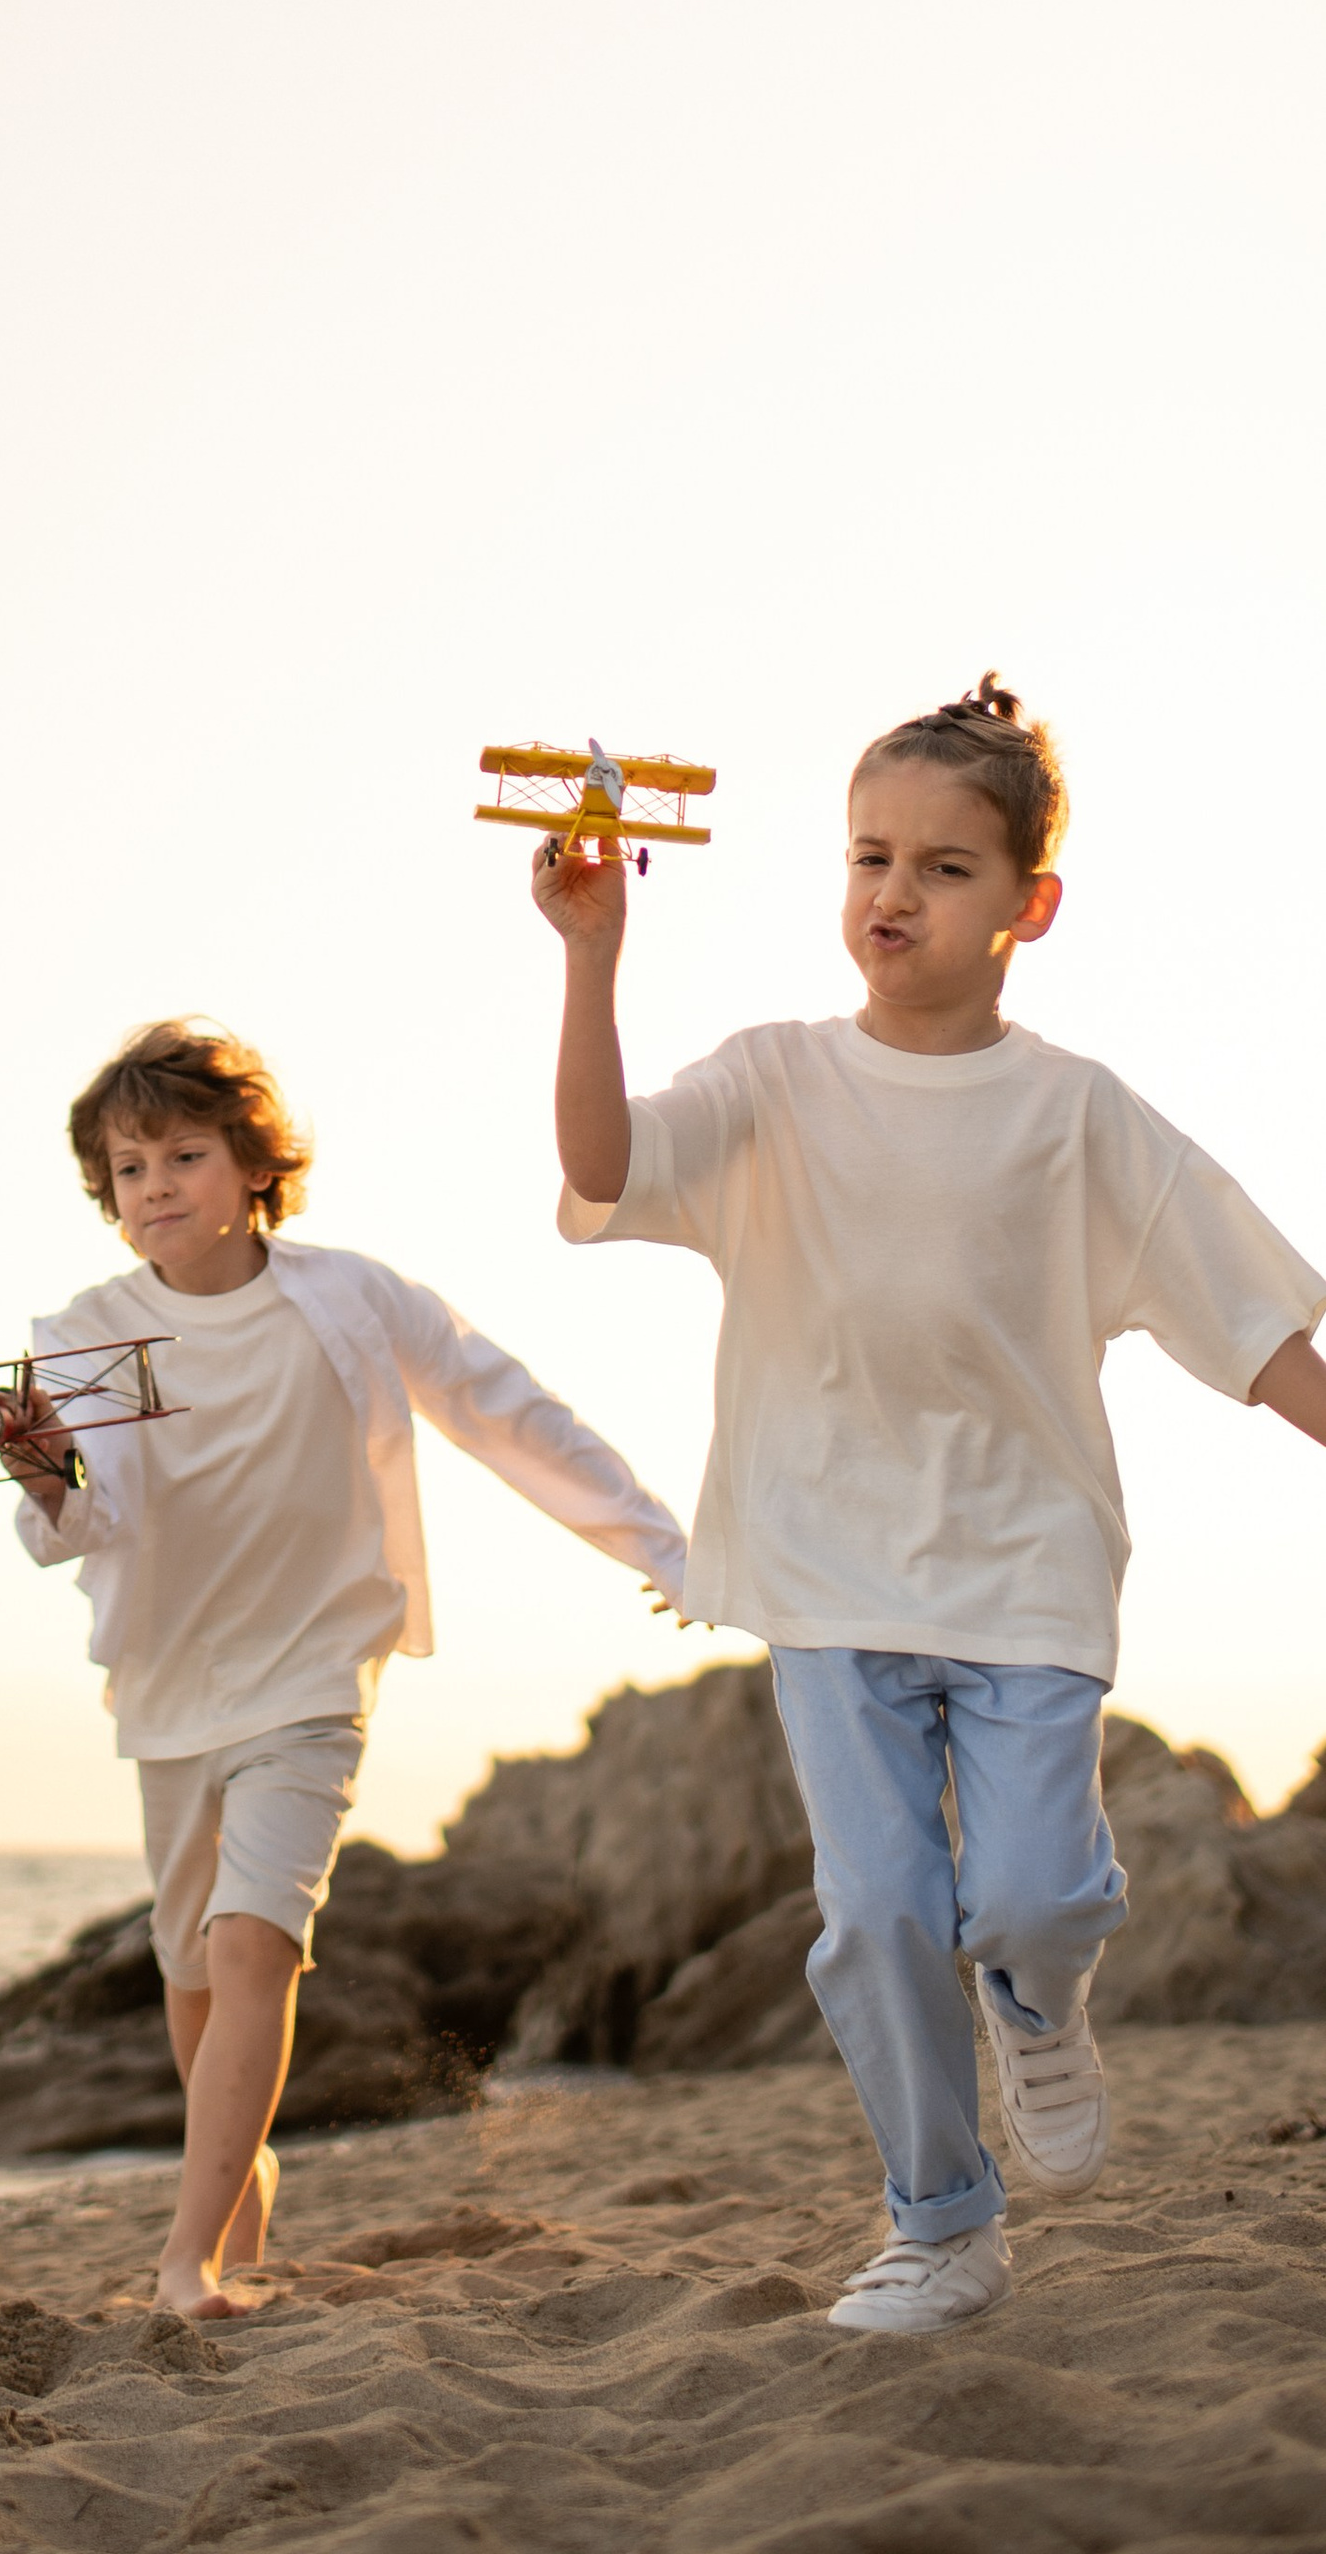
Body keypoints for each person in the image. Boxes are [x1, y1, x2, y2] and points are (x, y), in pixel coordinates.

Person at [535, 676, 1326, 2338]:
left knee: (1028, 1893)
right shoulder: (772, 1081)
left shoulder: (1079, 1115)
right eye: (868, 856)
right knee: (880, 1910)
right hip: (827, 1576)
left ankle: (1041, 2001)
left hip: (1027, 1571)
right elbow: (602, 1173)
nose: (892, 893)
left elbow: (1254, 1328)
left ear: (1030, 906)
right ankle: (943, 2224)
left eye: (945, 868)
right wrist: (591, 957)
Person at [0, 1015, 688, 2321]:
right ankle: (238, 2208)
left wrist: (658, 1543)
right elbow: (87, 1521)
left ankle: (184, 2258)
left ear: (253, 1163)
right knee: (193, 1970)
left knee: (258, 1945)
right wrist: (48, 1476)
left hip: (317, 1673)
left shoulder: (354, 1297)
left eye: (184, 1155)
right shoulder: (84, 1333)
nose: (155, 1188)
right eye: (129, 1169)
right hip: (166, 1683)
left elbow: (507, 1410)